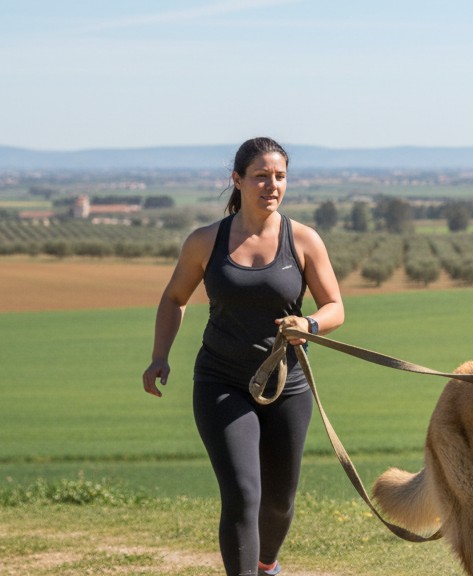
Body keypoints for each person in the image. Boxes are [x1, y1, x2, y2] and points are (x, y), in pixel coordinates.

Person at [142, 137, 345, 576]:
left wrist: (308, 324)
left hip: (287, 386)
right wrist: (160, 355)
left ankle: (266, 566)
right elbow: (174, 298)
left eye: (280, 177)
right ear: (237, 180)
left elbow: (335, 307)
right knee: (242, 495)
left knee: (278, 502)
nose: (272, 185)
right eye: (261, 176)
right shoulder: (205, 241)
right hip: (221, 382)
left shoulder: (303, 240)